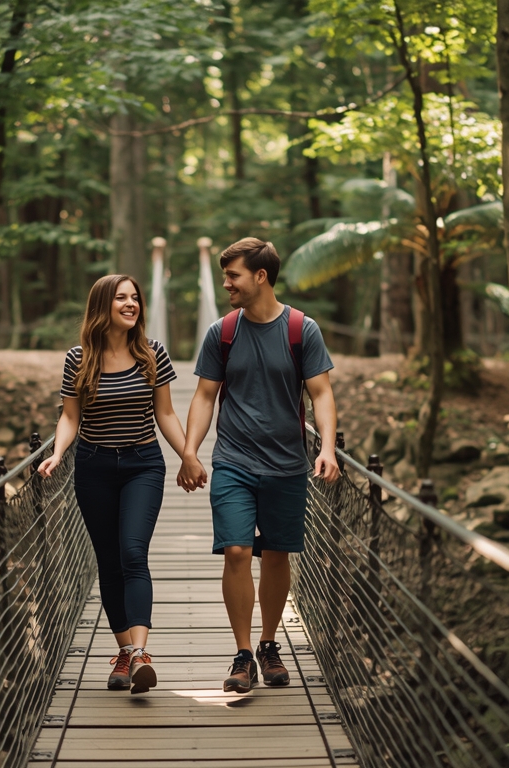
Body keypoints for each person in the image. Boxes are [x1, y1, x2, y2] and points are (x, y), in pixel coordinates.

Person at [177, 237, 339, 694]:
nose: (226, 283)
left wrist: (326, 447)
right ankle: (244, 653)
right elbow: (205, 395)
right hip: (233, 462)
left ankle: (270, 644)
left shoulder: (301, 329)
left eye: (233, 276)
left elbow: (321, 393)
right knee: (236, 551)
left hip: (287, 465)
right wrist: (190, 451)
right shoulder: (222, 332)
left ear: (261, 277)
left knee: (276, 555)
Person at [38, 274, 187, 695]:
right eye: (121, 297)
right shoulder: (78, 358)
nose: (131, 303)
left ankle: (140, 653)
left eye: (135, 297)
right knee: (107, 560)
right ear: (103, 305)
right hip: (93, 465)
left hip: (143, 463)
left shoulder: (152, 353)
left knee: (131, 552)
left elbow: (166, 414)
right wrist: (58, 453)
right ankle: (124, 653)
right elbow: (70, 417)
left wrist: (188, 455)